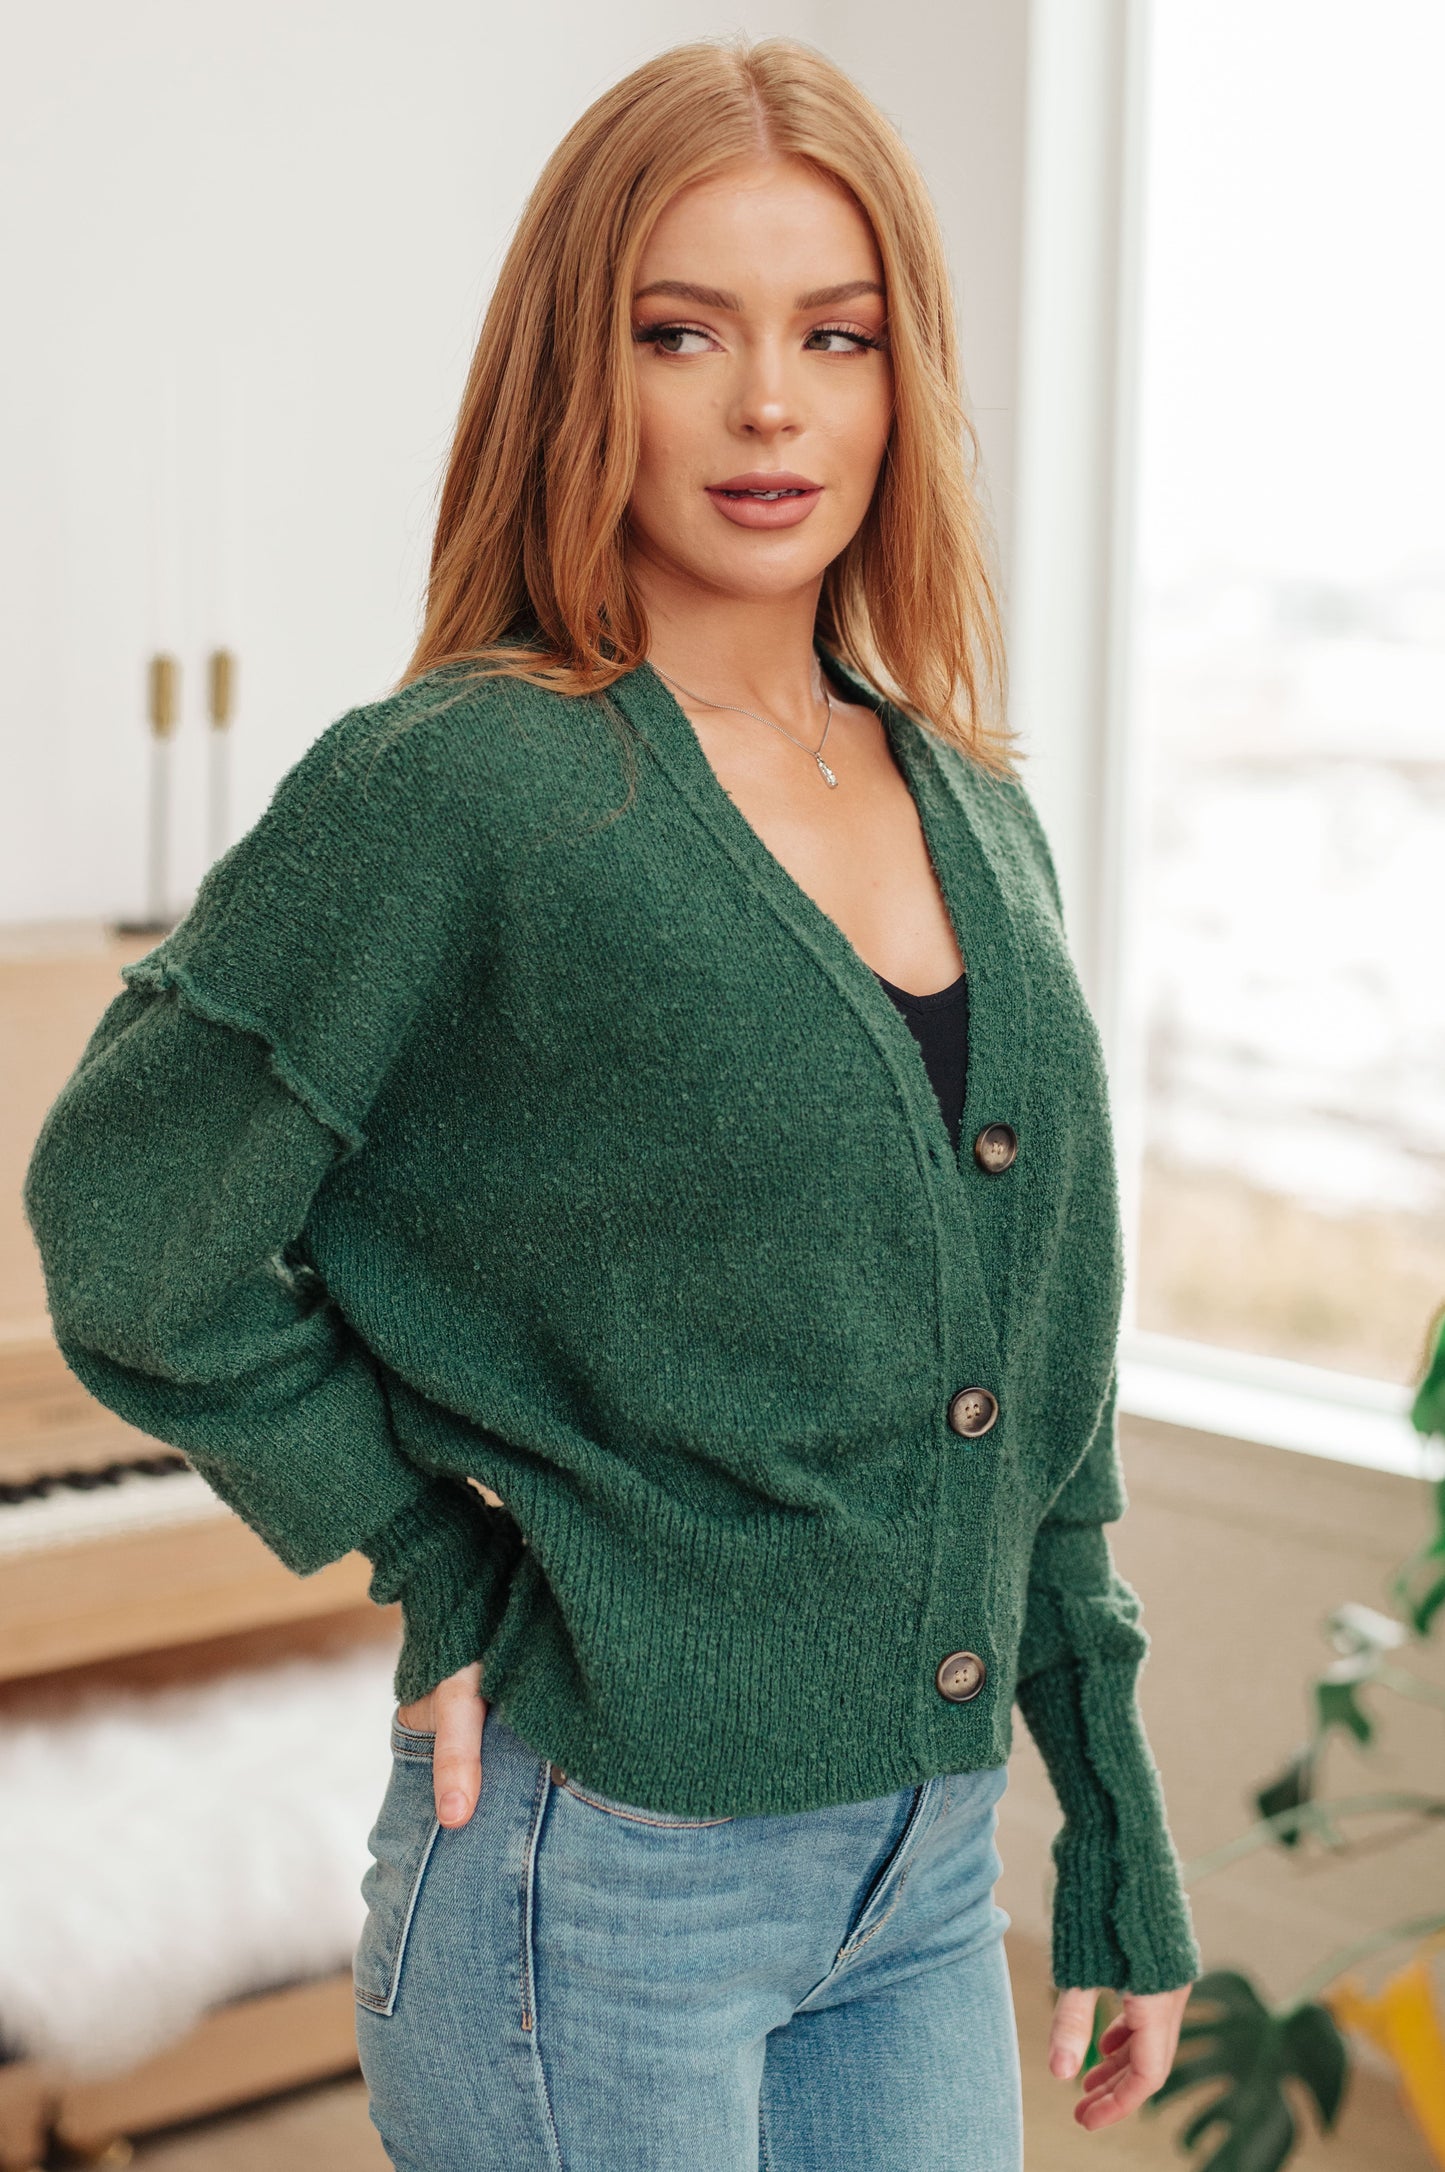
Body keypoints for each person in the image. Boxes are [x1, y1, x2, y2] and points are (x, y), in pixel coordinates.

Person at [23, 34, 1202, 2172]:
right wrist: (436, 1558)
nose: (771, 405)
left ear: (898, 379)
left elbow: (1048, 1379)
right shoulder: (466, 784)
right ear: (587, 372)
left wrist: (1107, 1827)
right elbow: (131, 1217)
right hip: (602, 1875)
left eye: (832, 336)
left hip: (928, 1886)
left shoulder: (971, 804)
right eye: (687, 332)